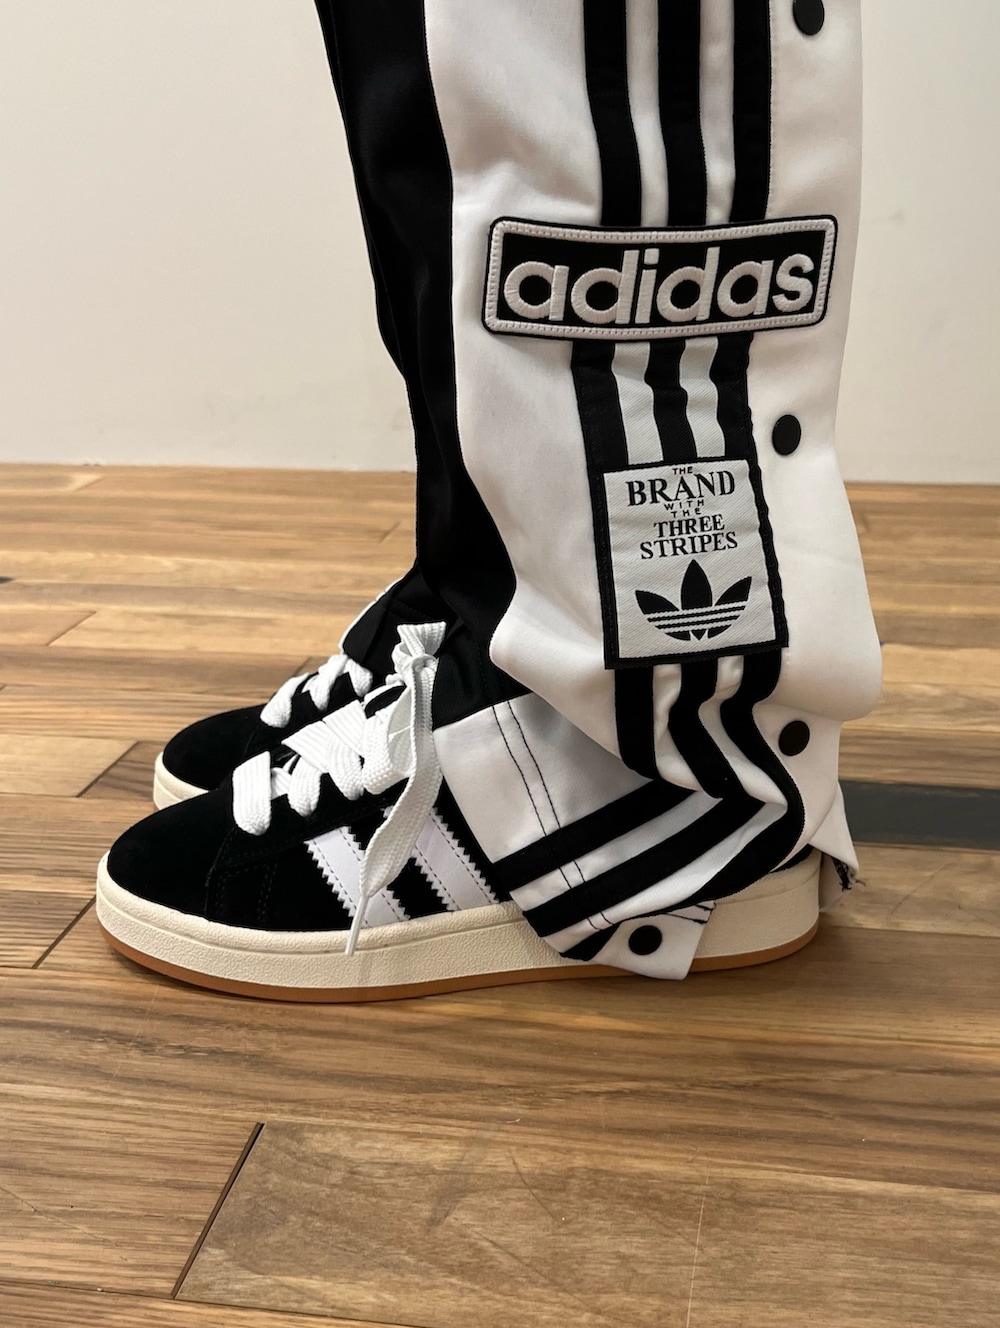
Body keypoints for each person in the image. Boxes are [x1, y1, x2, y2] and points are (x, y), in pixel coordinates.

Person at [95, 0, 881, 1002]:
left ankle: (660, 767)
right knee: (435, 61)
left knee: (578, 51)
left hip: (670, 751)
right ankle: (483, 618)